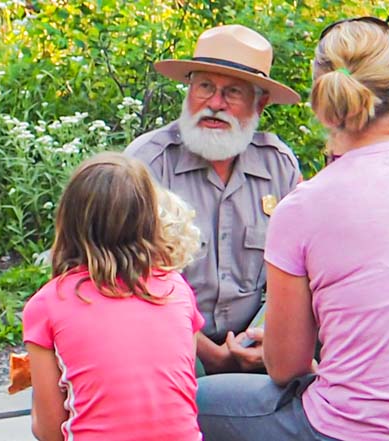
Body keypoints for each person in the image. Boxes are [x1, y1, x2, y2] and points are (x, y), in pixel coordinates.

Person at [195, 17, 389, 441]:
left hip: (355, 430)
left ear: (320, 99)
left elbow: (286, 366)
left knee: (192, 399)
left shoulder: (303, 206)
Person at [125, 24, 302, 375]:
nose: (215, 105)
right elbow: (129, 277)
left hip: (257, 341)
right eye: (205, 86)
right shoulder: (147, 163)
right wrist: (208, 352)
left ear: (260, 103)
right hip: (171, 343)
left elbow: (300, 269)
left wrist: (268, 338)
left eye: (232, 92)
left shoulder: (278, 165)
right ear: (189, 88)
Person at [22, 152, 204, 441]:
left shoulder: (47, 304)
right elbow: (178, 390)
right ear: (150, 218)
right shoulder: (177, 289)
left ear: (67, 220)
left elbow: (48, 431)